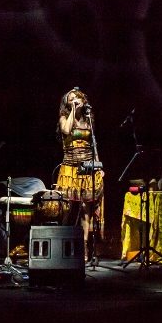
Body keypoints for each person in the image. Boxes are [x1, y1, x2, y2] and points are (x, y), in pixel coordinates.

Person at [53, 87, 104, 261]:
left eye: (78, 98)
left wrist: (98, 165)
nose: (75, 100)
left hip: (87, 166)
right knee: (66, 207)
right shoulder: (63, 118)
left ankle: (84, 247)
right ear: (67, 103)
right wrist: (73, 111)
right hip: (70, 168)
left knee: (85, 207)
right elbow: (67, 131)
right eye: (71, 99)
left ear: (84, 101)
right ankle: (62, 244)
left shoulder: (89, 119)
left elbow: (93, 144)